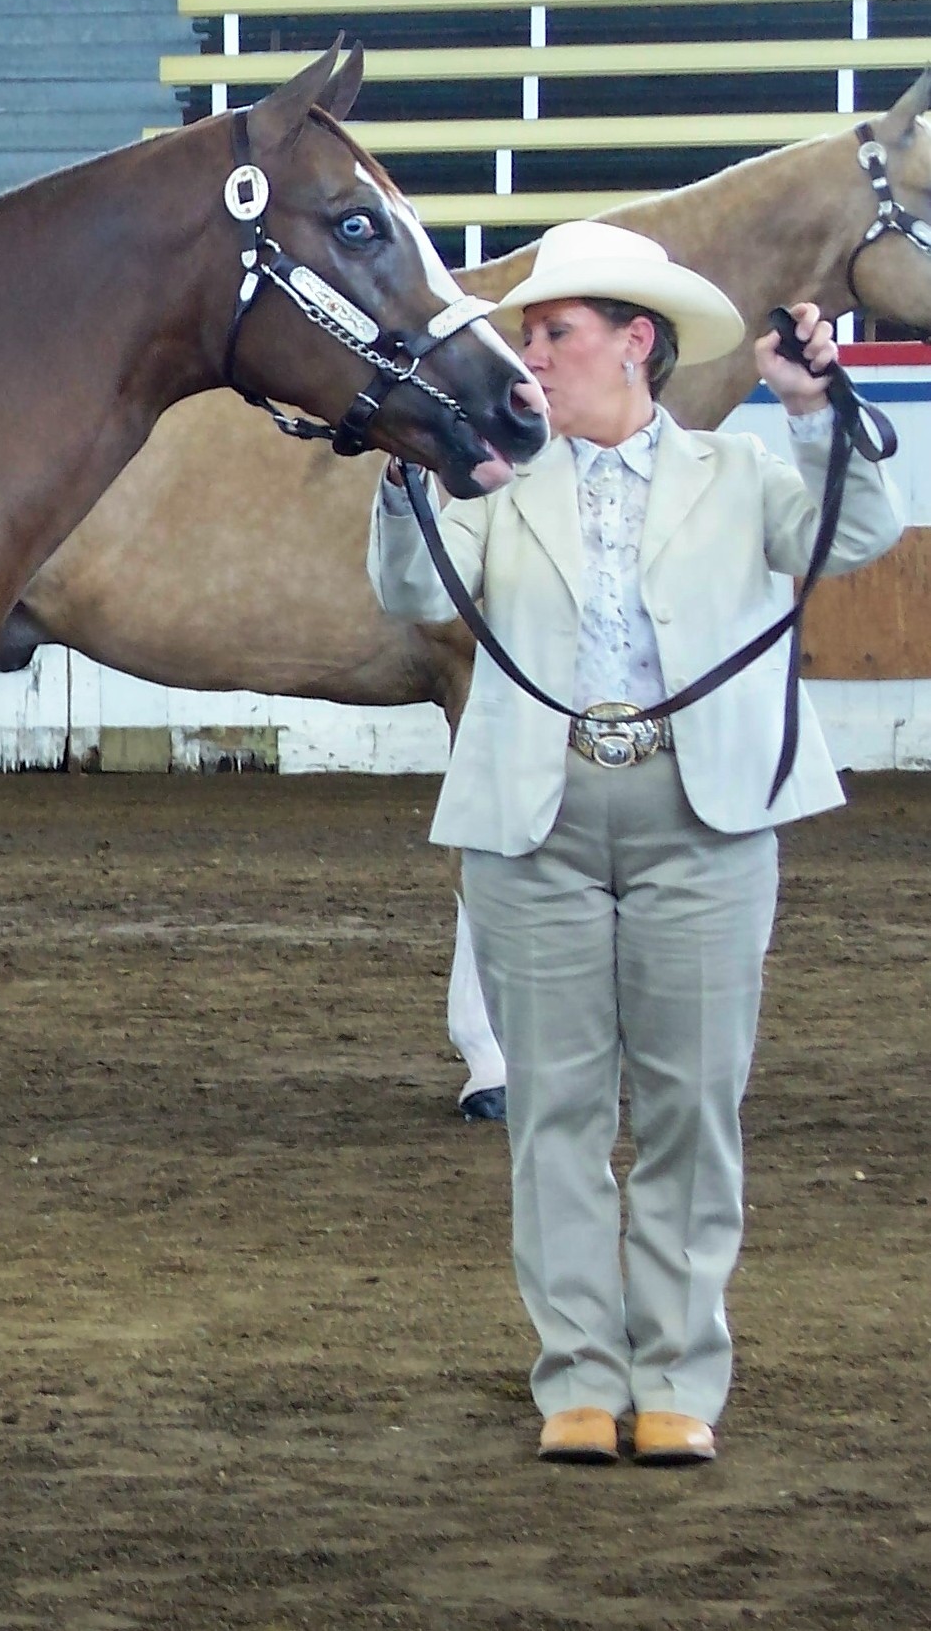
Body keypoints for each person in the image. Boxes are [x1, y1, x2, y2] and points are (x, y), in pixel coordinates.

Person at [366, 220, 905, 1466]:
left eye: (554, 332)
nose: (532, 356)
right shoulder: (493, 479)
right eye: (528, 335)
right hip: (532, 822)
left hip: (707, 816)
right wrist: (407, 465)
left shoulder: (739, 470)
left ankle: (673, 1375)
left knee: (688, 1109)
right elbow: (407, 591)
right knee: (550, 1110)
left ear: (635, 342)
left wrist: (818, 409)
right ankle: (574, 1377)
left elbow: (858, 530)